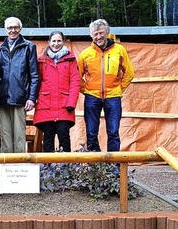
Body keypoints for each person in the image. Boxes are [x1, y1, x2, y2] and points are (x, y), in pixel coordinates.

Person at [78, 19, 135, 152]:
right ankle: (95, 166)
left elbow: (129, 73)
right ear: (91, 36)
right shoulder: (85, 54)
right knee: (91, 133)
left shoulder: (119, 50)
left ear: (107, 33)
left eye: (101, 33)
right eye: (95, 34)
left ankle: (113, 168)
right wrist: (86, 90)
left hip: (113, 97)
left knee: (113, 132)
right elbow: (77, 76)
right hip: (92, 97)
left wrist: (119, 88)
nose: (98, 37)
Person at [0, 17, 39, 153]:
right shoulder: (0, 49)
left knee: (19, 133)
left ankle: (20, 165)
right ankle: (7, 165)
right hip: (2, 97)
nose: (12, 30)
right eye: (9, 28)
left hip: (20, 97)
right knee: (5, 133)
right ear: (5, 30)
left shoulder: (28, 47)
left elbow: (34, 75)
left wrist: (31, 98)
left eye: (15, 27)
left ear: (20, 29)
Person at [33, 31, 80, 153]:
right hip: (45, 105)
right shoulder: (41, 60)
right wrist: (32, 99)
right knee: (48, 135)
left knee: (63, 134)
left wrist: (71, 103)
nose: (56, 43)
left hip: (64, 105)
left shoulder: (71, 59)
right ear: (49, 42)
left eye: (59, 41)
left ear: (63, 42)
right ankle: (48, 168)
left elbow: (75, 81)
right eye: (53, 41)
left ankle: (67, 167)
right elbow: (36, 81)